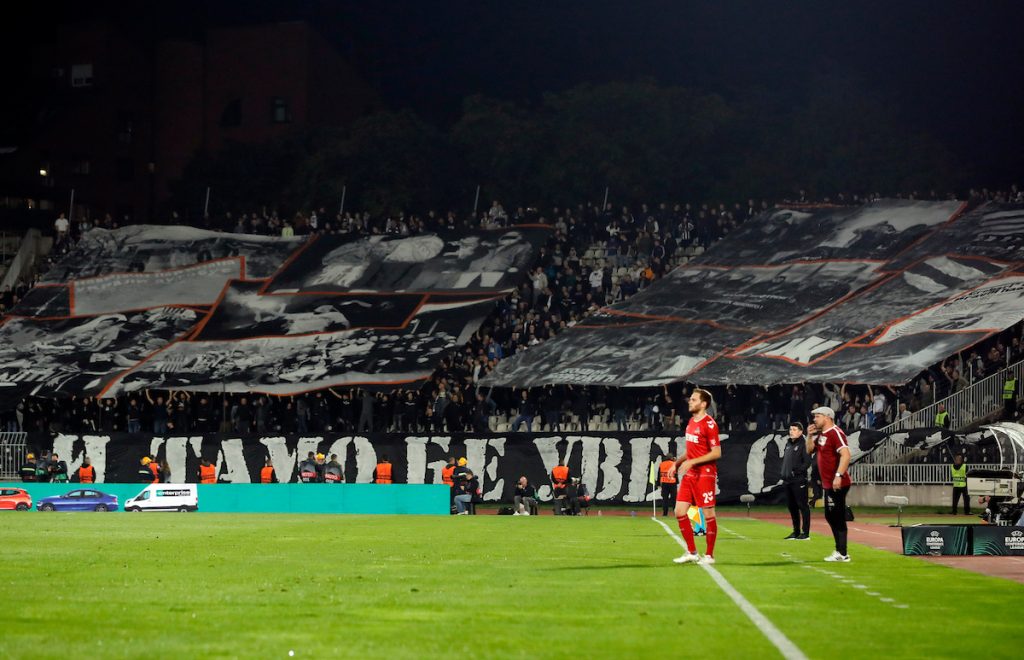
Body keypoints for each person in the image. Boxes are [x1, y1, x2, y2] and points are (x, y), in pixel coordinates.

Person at [671, 388, 721, 565]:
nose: (690, 402)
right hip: (691, 474)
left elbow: (716, 453)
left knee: (708, 514)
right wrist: (676, 463)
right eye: (690, 399)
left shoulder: (710, 424)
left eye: (693, 400)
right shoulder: (691, 422)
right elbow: (691, 450)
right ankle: (692, 552)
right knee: (679, 511)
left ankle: (709, 555)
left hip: (705, 473)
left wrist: (692, 462)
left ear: (703, 403)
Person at [807, 406, 852, 562]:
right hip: (828, 483)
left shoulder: (836, 433)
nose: (814, 419)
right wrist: (809, 435)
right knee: (830, 515)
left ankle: (842, 553)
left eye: (817, 416)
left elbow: (846, 455)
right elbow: (810, 450)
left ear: (827, 417)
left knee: (836, 516)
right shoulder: (822, 435)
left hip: (838, 483)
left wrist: (838, 475)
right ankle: (840, 551)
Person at [782, 422, 811, 540]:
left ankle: (806, 533)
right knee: (792, 507)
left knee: (803, 506)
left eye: (794, 429)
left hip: (799, 480)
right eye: (790, 429)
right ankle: (796, 531)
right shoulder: (788, 444)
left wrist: (797, 471)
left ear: (800, 432)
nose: (791, 431)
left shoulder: (804, 444)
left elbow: (807, 462)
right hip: (788, 480)